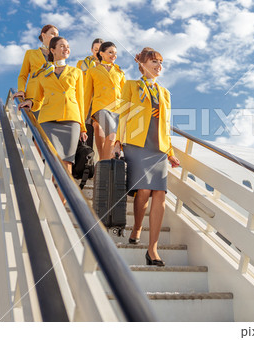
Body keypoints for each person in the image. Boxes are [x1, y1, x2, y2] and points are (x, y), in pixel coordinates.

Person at [115, 48, 180, 266]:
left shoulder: (165, 93)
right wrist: (117, 141)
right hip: (137, 143)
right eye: (154, 62)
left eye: (161, 63)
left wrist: (170, 151)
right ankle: (136, 228)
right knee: (143, 191)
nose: (159, 66)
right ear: (142, 64)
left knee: (160, 194)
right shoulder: (131, 86)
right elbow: (123, 114)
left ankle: (153, 249)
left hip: (158, 147)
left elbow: (167, 125)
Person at [18, 36, 87, 185]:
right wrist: (29, 102)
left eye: (67, 46)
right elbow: (37, 100)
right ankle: (38, 195)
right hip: (48, 120)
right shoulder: (42, 73)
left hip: (70, 119)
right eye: (62, 46)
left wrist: (83, 127)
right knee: (43, 158)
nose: (66, 49)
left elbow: (81, 101)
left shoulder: (76, 72)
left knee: (66, 163)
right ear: (52, 50)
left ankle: (60, 206)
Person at [84, 41, 126, 160]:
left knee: (111, 138)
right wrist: (82, 118)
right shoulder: (93, 71)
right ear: (101, 53)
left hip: (117, 109)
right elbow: (87, 95)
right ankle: (104, 166)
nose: (114, 55)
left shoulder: (119, 72)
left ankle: (102, 166)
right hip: (100, 108)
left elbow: (125, 94)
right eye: (110, 52)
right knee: (112, 135)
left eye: (115, 53)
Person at [13, 24, 59, 111]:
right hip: (33, 98)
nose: (55, 37)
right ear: (43, 35)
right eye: (53, 34)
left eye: (57, 35)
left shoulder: (58, 57)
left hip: (52, 98)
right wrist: (21, 90)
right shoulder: (31, 53)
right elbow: (23, 75)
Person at [76, 38, 104, 148]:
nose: (97, 52)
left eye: (100, 49)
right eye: (95, 49)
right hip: (85, 99)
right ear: (92, 49)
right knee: (85, 129)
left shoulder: (106, 67)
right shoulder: (81, 64)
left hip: (100, 100)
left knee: (100, 129)